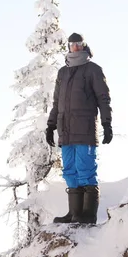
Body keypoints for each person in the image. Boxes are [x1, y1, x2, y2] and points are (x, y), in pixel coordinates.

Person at [45, 33, 113, 225]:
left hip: (84, 129)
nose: (75, 47)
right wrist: (51, 126)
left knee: (85, 170)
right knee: (69, 171)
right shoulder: (62, 73)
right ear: (68, 47)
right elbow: (57, 102)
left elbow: (103, 98)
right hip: (65, 131)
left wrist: (107, 124)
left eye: (78, 44)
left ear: (83, 46)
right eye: (72, 44)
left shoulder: (93, 70)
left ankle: (88, 215)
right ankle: (74, 213)